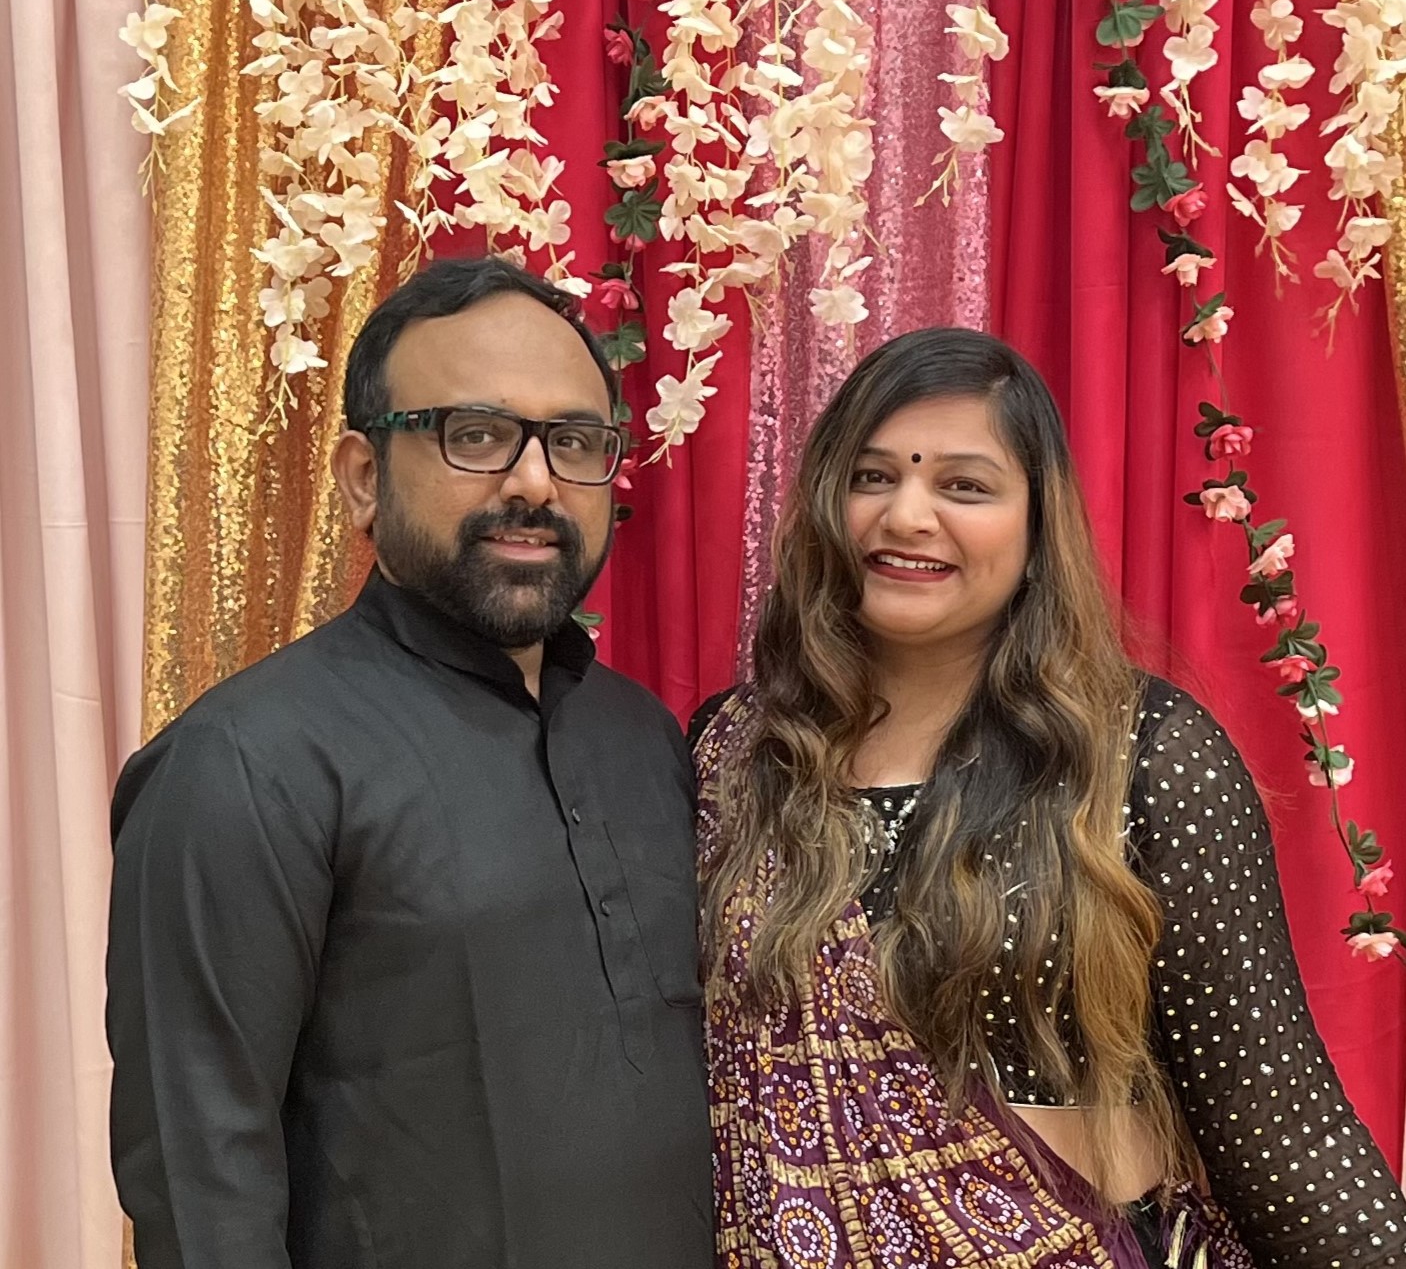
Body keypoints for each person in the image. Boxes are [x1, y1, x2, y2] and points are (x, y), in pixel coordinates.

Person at [691, 328, 1406, 1268]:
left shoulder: (1141, 754)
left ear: (1036, 530)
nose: (907, 515)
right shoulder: (735, 753)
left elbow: (1284, 1136)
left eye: (964, 485)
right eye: (872, 477)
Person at [107, 257, 712, 1269]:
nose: (532, 481)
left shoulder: (642, 738)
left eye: (573, 442)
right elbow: (199, 1175)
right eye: (473, 434)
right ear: (360, 476)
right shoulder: (246, 763)